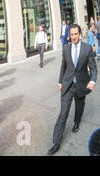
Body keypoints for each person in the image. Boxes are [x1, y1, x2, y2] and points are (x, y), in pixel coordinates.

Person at [48, 24, 98, 155]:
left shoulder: (87, 49)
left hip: (82, 84)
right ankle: (56, 143)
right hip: (68, 85)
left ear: (80, 34)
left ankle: (77, 122)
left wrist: (92, 81)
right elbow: (63, 67)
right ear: (69, 35)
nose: (74, 37)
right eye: (71, 34)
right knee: (63, 113)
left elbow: (93, 68)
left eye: (76, 34)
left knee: (79, 107)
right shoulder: (66, 48)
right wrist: (60, 82)